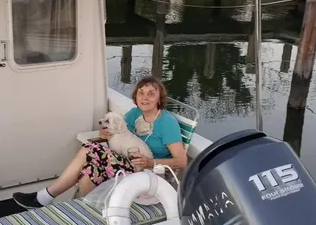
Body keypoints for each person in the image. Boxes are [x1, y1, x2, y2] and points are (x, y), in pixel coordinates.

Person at [12, 76, 188, 209]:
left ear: (159, 98)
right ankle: (80, 211)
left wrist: (151, 162)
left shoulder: (167, 123)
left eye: (151, 94)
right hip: (124, 162)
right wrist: (104, 133)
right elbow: (114, 131)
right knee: (91, 168)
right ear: (136, 96)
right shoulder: (134, 114)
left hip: (149, 173)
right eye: (141, 93)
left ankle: (46, 197)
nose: (145, 98)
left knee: (91, 150)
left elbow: (181, 161)